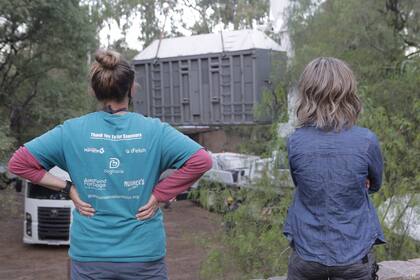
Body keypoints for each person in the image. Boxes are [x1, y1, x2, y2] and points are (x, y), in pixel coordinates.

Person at [8, 50, 213, 280]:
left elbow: (19, 163)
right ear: (132, 87)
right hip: (143, 255)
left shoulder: (72, 131)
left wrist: (68, 188)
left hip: (90, 257)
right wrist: (160, 195)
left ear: (94, 91)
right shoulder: (155, 131)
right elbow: (201, 160)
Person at [284, 57, 384, 280]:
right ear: (348, 93)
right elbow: (375, 184)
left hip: (306, 256)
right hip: (354, 254)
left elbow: (301, 183)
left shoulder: (295, 141)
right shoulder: (366, 140)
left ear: (307, 94)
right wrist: (358, 182)